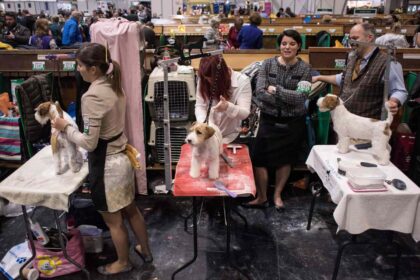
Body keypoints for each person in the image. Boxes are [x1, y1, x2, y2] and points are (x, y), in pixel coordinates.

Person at [51, 43, 153, 275]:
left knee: (114, 222)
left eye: (80, 66)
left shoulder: (93, 96)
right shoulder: (115, 85)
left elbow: (89, 143)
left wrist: (65, 127)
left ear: (94, 69)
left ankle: (123, 262)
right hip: (122, 161)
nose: (78, 70)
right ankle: (145, 250)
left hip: (108, 169)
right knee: (131, 211)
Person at [246, 30, 311, 210]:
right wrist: (286, 95)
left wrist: (275, 90)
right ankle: (261, 196)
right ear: (279, 45)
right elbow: (259, 92)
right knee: (258, 158)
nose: (287, 47)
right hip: (268, 119)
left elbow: (301, 98)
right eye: (284, 43)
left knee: (285, 160)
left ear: (298, 46)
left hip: (292, 122)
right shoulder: (267, 64)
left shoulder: (305, 69)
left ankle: (277, 196)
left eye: (291, 43)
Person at [313, 23, 408, 119]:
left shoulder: (388, 62)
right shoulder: (352, 57)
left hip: (367, 125)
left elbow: (399, 90)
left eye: (355, 38)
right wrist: (319, 77)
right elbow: (343, 79)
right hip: (345, 121)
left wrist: (393, 101)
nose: (351, 42)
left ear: (369, 37)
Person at [195, 55, 252, 143]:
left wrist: (228, 107)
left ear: (222, 75)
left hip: (231, 137)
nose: (209, 82)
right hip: (207, 137)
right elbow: (200, 106)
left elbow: (245, 113)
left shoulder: (242, 81)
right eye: (207, 79)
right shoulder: (203, 79)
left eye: (212, 79)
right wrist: (207, 125)